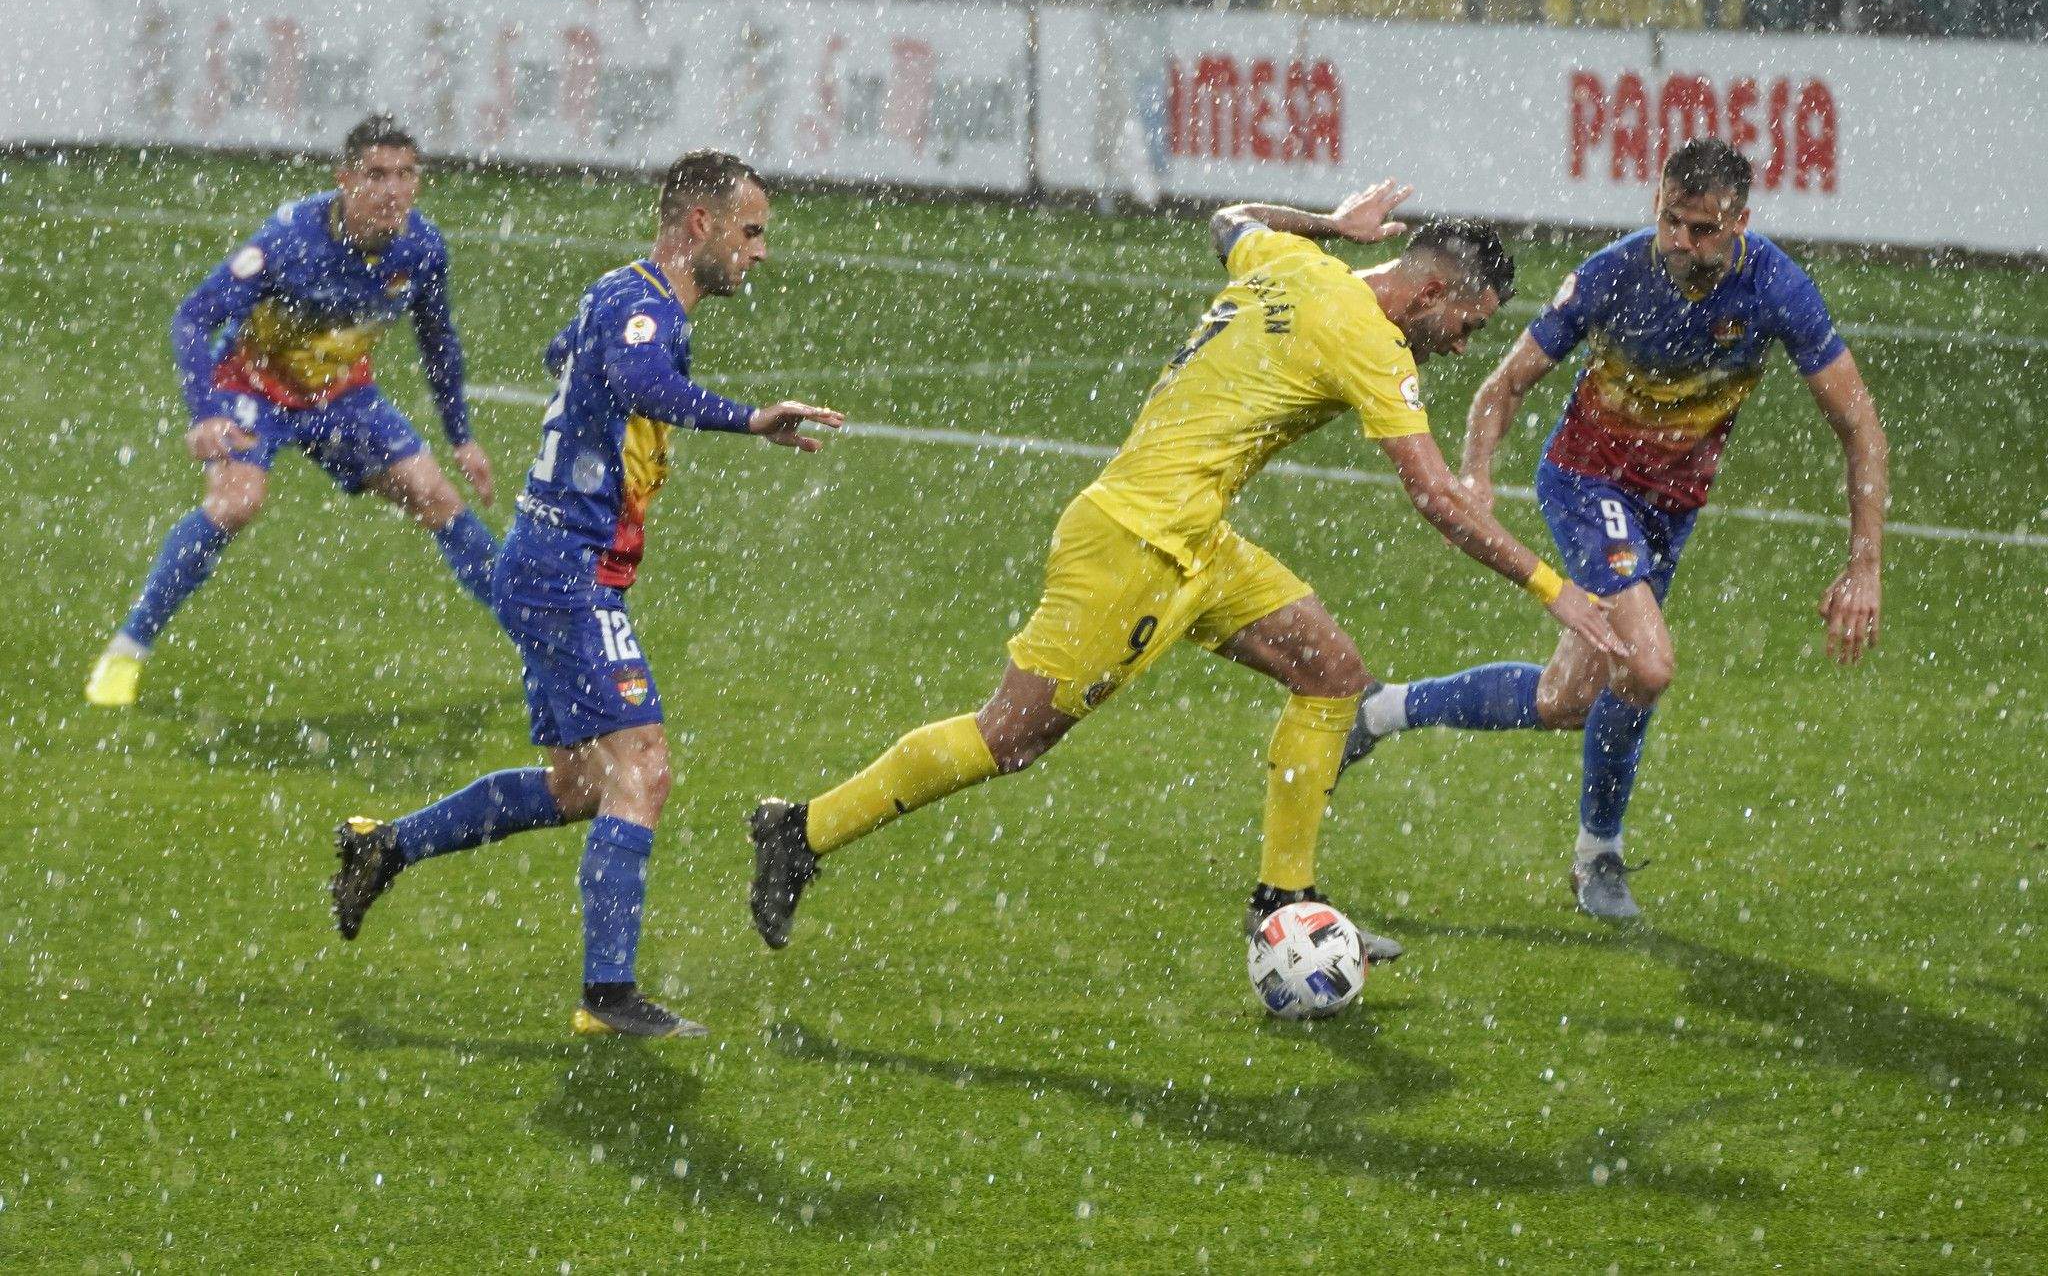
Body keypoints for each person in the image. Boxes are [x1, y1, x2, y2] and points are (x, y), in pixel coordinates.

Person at [747, 180, 1621, 958]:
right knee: (1011, 736)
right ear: (1432, 290)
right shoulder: (1372, 343)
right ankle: (802, 831)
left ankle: (1284, 905)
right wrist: (1558, 592)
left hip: (1193, 534)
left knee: (1333, 676)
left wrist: (1331, 225)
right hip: (1137, 545)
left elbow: (1227, 217)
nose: (1464, 345)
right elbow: (1436, 497)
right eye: (1468, 324)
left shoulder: (1293, 261)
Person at [330, 151, 843, 1039]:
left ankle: (385, 847)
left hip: (552, 564)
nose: (759, 253)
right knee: (642, 773)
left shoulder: (625, 294)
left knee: (576, 787)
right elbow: (641, 381)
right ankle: (609, 998)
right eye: (750, 231)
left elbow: (583, 358)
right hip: (568, 572)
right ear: (699, 227)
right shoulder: (645, 306)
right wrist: (747, 417)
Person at [1345, 139, 1888, 920]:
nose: (1680, 242)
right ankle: (1597, 854)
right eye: (1669, 219)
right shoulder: (1612, 273)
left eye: (1701, 229)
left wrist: (1863, 563)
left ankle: (1379, 710)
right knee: (1651, 665)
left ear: (1741, 223)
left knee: (1566, 698)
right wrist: (1476, 475)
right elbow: (1501, 390)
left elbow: (1860, 427)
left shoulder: (1777, 289)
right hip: (1586, 484)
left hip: (1670, 511)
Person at [85, 113, 499, 708]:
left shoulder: (422, 248)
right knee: (236, 502)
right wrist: (204, 413)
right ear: (345, 179)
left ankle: (542, 640)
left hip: (342, 398)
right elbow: (194, 316)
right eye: (377, 175)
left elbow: (439, 343)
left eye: (407, 175)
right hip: (253, 387)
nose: (393, 191)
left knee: (435, 494)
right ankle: (128, 649)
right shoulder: (289, 239)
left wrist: (462, 437)